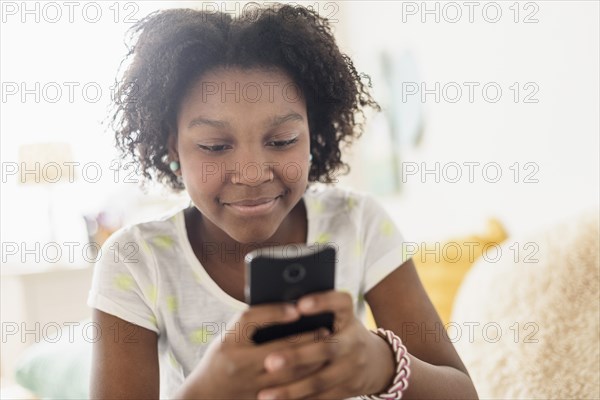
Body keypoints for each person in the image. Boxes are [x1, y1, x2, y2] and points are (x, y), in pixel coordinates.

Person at [88, 4, 479, 399]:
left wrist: (383, 364)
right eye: (215, 146)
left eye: (282, 141)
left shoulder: (357, 223)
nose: (253, 173)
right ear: (173, 145)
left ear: (314, 131)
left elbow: (463, 394)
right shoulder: (136, 260)